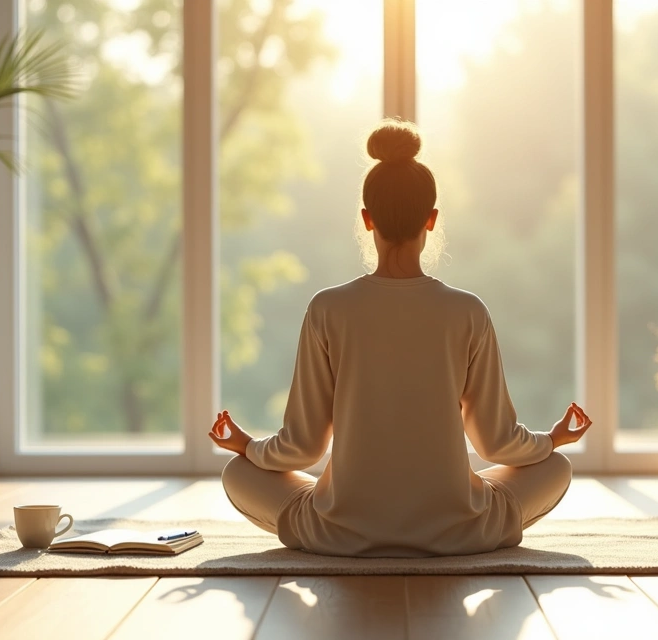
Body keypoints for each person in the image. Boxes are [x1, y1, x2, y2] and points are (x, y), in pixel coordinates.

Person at [211, 118, 592, 558]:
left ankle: (346, 516)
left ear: (366, 219)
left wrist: (245, 446)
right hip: (457, 532)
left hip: (340, 532)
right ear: (431, 220)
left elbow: (301, 447)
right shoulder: (467, 311)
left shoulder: (327, 309)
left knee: (238, 474)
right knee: (556, 468)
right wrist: (555, 439)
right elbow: (497, 443)